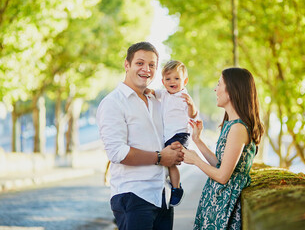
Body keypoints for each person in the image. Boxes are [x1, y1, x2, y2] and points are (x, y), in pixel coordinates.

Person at [96, 42, 184, 230]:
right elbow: (117, 153)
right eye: (140, 63)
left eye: (152, 65)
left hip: (162, 196)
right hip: (133, 197)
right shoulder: (113, 103)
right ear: (127, 65)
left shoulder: (157, 100)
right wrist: (160, 157)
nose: (146, 69)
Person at [182, 67, 264, 229]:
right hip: (216, 203)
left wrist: (196, 160)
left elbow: (222, 176)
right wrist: (197, 141)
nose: (215, 89)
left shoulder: (238, 128)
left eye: (219, 84)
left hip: (224, 208)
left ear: (232, 90)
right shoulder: (231, 125)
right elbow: (219, 164)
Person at [151, 60, 198, 206]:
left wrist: (191, 105)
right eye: (168, 79)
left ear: (185, 80)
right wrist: (146, 91)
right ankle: (173, 184)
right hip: (167, 135)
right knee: (169, 163)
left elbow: (193, 115)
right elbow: (152, 93)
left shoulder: (184, 96)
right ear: (163, 81)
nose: (172, 82)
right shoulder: (163, 94)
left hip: (180, 134)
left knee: (171, 163)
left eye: (177, 78)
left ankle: (177, 188)